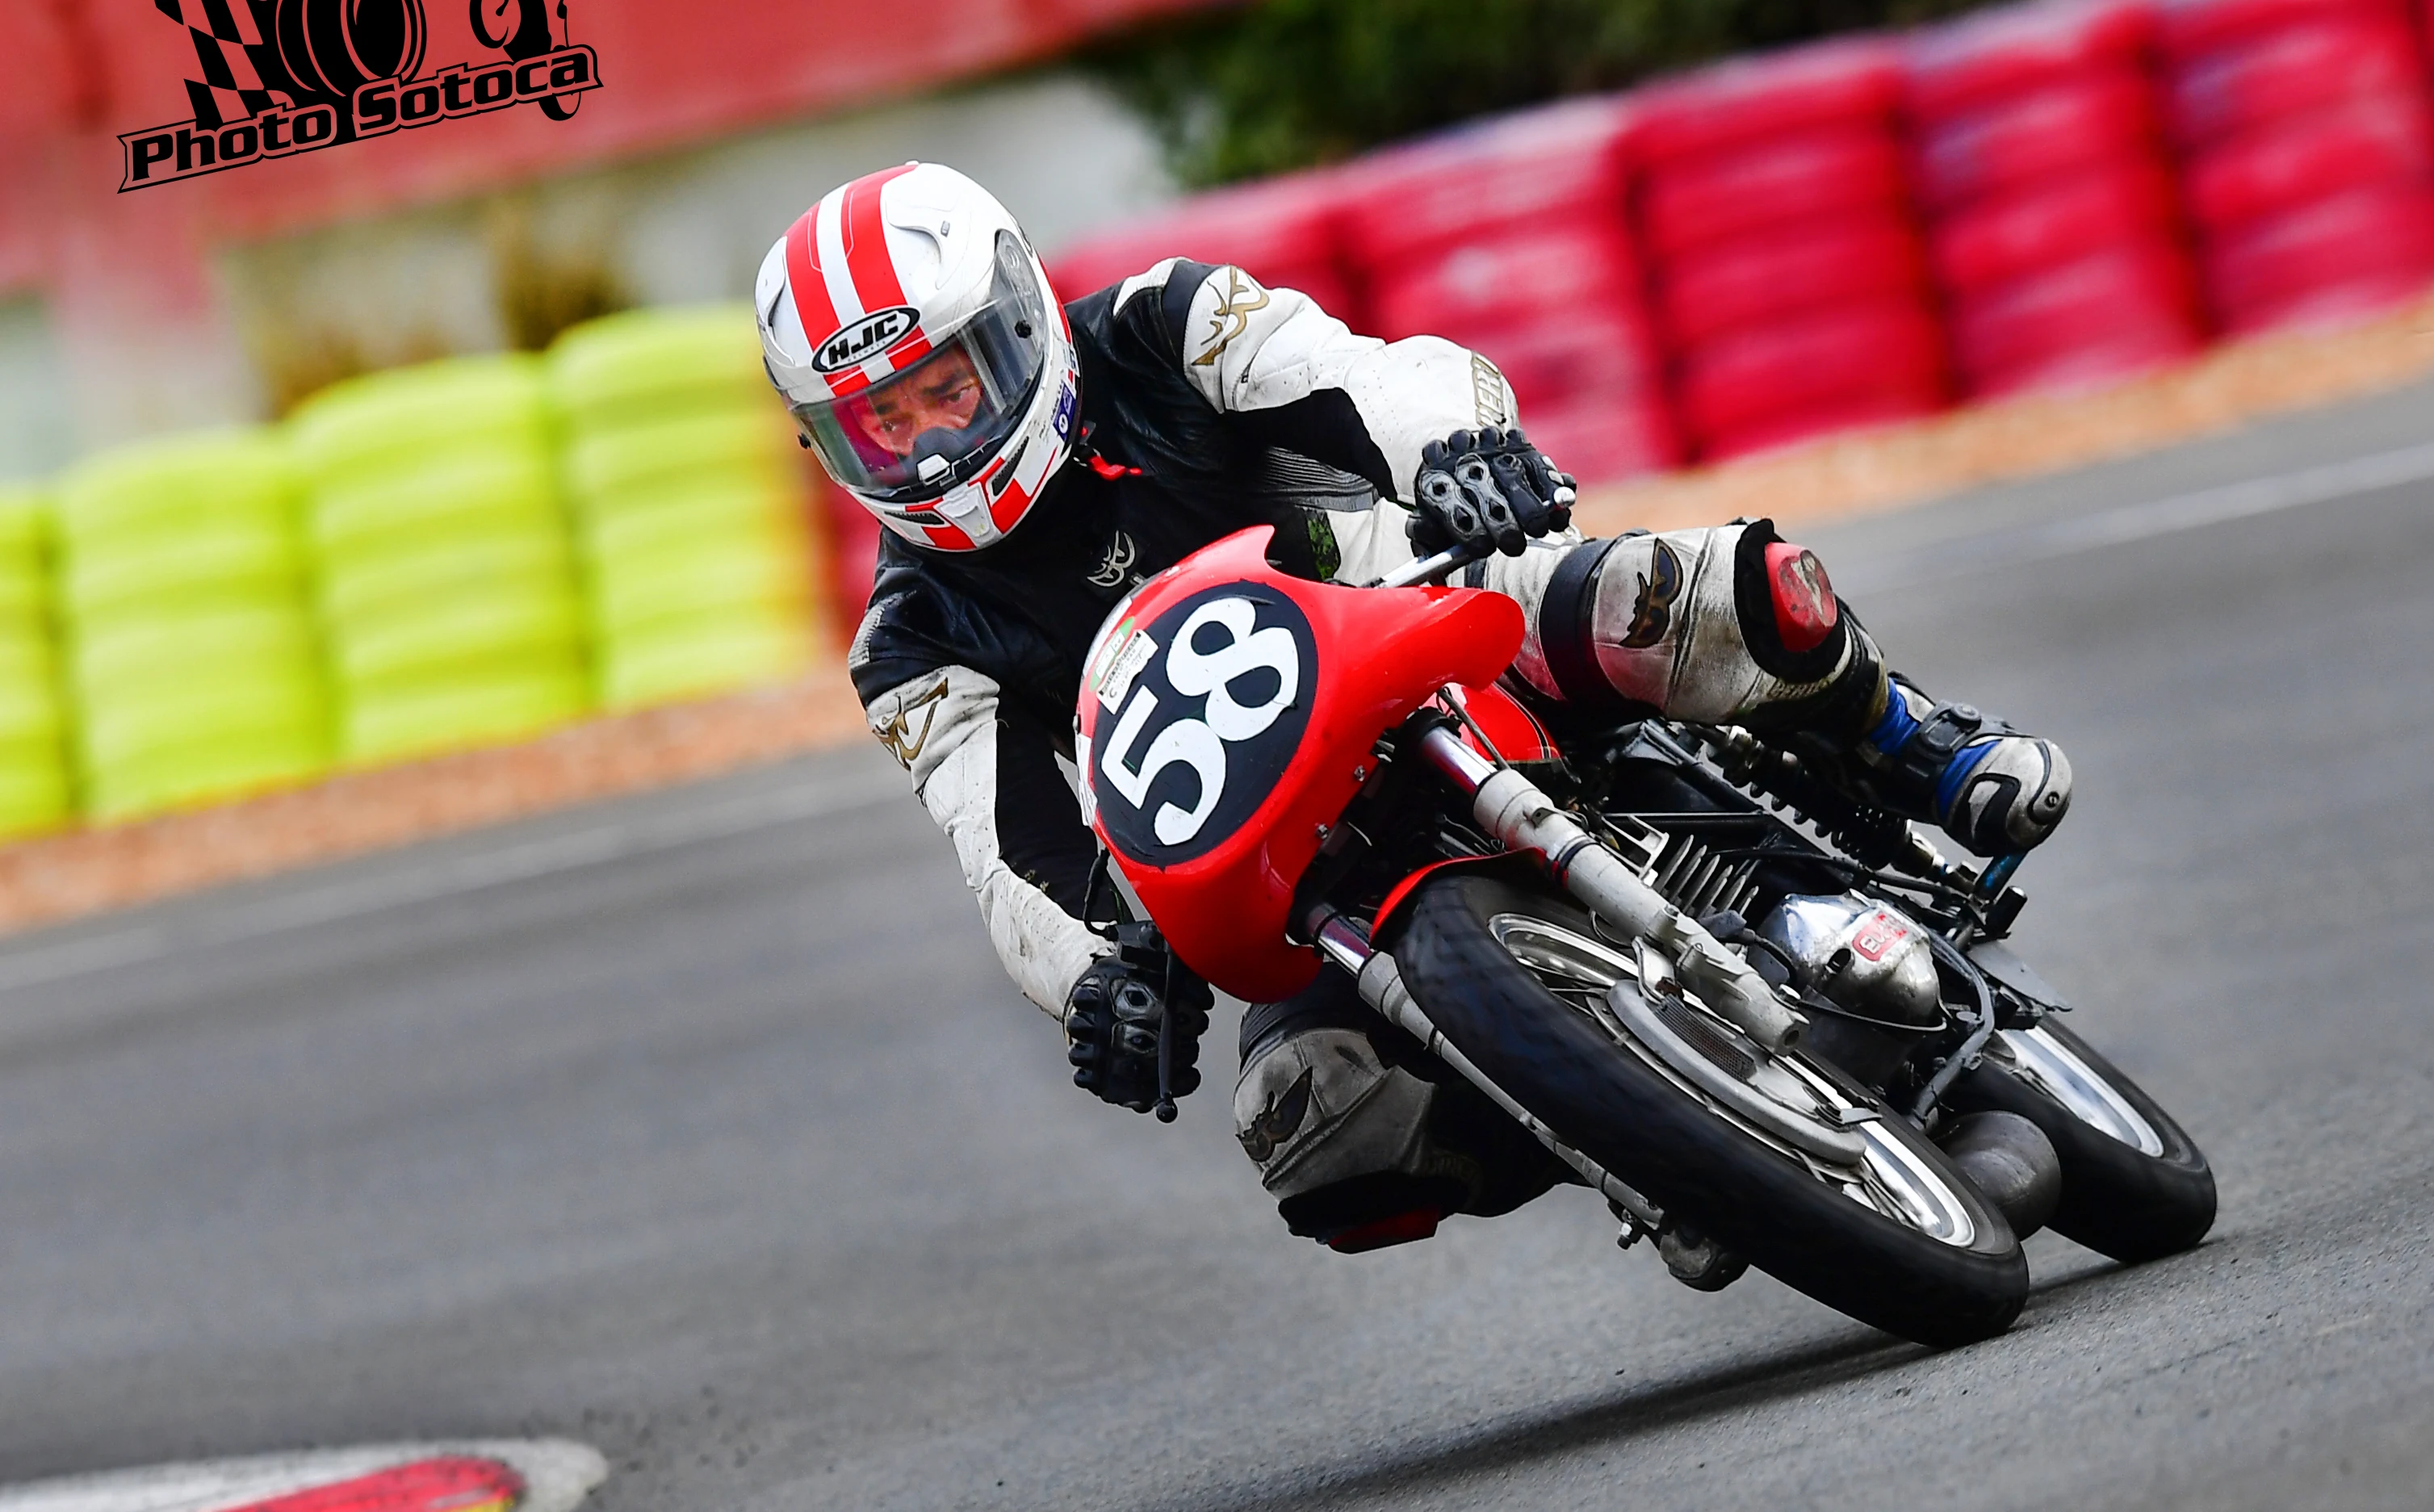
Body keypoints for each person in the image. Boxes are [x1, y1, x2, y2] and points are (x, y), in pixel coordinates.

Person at [756, 163, 2073, 1262]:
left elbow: (1355, 373)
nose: (932, 438)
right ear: (831, 443)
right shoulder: (911, 642)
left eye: (950, 383)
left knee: (1692, 594)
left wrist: (1456, 447)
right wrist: (1096, 981)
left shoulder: (1162, 328)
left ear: (1023, 326)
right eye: (885, 419)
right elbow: (1010, 853)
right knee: (1310, 1129)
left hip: (1425, 618)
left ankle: (1910, 737)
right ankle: (1652, 1132)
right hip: (1277, 853)